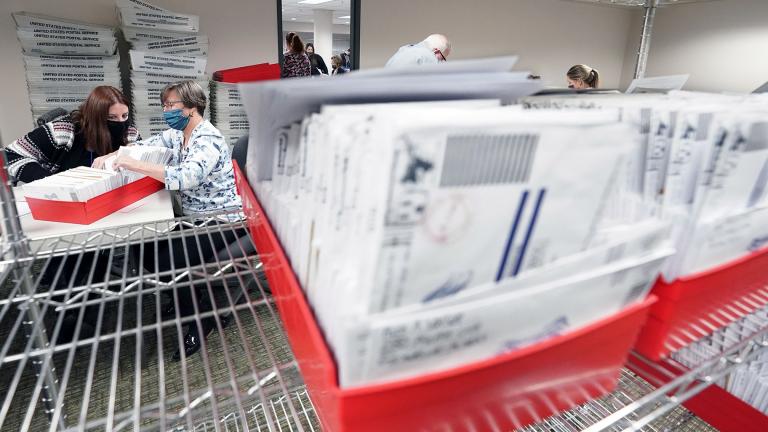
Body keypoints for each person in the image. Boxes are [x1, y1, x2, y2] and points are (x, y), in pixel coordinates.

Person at [109, 80, 244, 361]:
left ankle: (199, 320)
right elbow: (147, 144)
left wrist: (134, 164)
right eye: (165, 105)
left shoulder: (208, 140)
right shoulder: (178, 133)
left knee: (173, 261)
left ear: (192, 108)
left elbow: (185, 177)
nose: (166, 110)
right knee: (142, 246)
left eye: (171, 105)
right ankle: (192, 302)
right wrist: (115, 155)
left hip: (222, 218)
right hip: (195, 216)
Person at [4, 85, 139, 183]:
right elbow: (10, 155)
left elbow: (142, 152)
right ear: (95, 117)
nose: (121, 122)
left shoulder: (129, 132)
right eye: (112, 117)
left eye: (124, 115)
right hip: (63, 198)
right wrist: (50, 182)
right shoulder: (63, 131)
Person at [385, 34, 451, 67]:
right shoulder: (429, 56)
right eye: (443, 58)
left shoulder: (403, 50)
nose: (442, 62)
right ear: (436, 51)